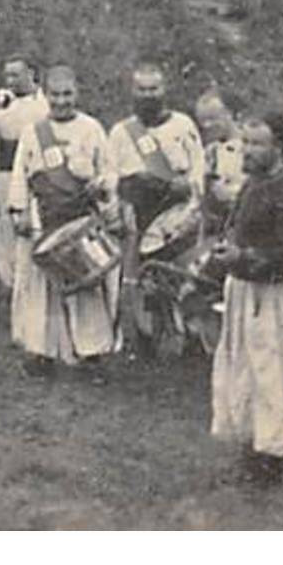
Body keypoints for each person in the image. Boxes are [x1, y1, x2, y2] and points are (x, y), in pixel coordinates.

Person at [209, 112, 283, 486]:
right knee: (245, 369)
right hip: (244, 290)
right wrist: (229, 250)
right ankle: (255, 442)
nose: (247, 151)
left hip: (275, 296)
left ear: (279, 148)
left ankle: (278, 453)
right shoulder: (251, 185)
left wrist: (246, 257)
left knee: (275, 372)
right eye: (245, 142)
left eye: (257, 144)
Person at [8, 65, 121, 375]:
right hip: (44, 219)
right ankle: (41, 352)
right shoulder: (33, 132)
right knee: (41, 290)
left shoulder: (92, 128)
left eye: (67, 94)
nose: (61, 101)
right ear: (45, 95)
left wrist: (102, 183)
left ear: (77, 93)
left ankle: (91, 354)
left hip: (80, 219)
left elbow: (110, 170)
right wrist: (18, 211)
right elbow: (21, 174)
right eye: (55, 95)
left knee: (86, 286)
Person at [106, 62, 205, 353]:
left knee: (185, 277)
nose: (148, 95)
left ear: (165, 90)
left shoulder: (183, 125)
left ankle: (192, 336)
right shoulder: (122, 132)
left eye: (154, 89)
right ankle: (145, 335)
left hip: (178, 215)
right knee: (142, 281)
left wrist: (189, 188)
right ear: (132, 91)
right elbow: (111, 176)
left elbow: (198, 167)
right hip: (139, 216)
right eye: (142, 89)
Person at [0, 54, 49, 288]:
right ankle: (11, 286)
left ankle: (29, 285)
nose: (11, 81)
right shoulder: (7, 103)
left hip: (31, 178)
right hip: (5, 175)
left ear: (31, 74)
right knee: (0, 228)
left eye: (16, 75)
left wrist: (0, 110)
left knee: (28, 231)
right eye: (7, 75)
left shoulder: (41, 106)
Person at [196, 88, 246, 237]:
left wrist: (232, 193)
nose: (207, 125)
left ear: (230, 114)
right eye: (203, 120)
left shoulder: (250, 147)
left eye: (213, 118)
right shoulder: (210, 152)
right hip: (216, 231)